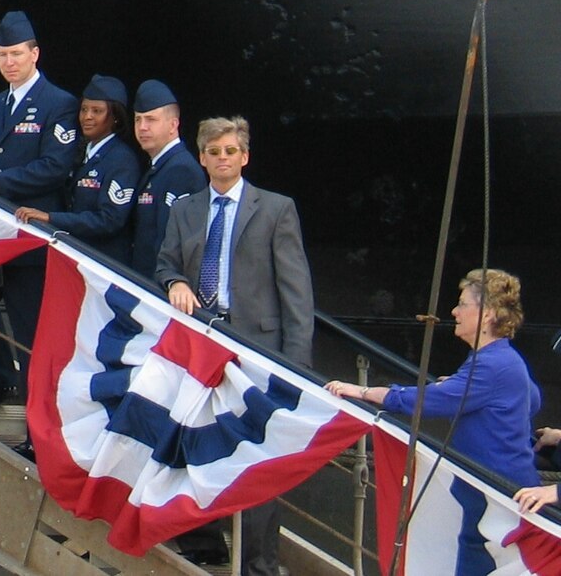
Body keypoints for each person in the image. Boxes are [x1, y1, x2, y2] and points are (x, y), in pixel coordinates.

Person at [158, 117, 313, 576]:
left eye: (230, 151)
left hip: (257, 352)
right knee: (194, 441)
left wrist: (296, 367)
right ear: (201, 157)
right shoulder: (184, 209)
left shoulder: (276, 209)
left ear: (244, 156)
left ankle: (258, 565)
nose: (222, 158)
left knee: (256, 458)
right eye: (214, 151)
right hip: (200, 345)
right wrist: (176, 281)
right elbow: (164, 262)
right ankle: (204, 543)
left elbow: (296, 292)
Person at [0, 11, 81, 427]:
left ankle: (38, 431)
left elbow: (54, 166)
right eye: (1, 55)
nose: (9, 62)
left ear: (35, 54)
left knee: (34, 341)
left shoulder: (58, 104)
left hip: (33, 244)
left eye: (16, 54)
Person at [327, 269, 540, 488]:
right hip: (496, 486)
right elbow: (532, 399)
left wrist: (365, 392)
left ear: (487, 314)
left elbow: (428, 401)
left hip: (499, 492)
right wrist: (466, 387)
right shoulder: (504, 359)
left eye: (463, 304)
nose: (455, 311)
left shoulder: (492, 364)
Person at [13, 74, 139, 267]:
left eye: (97, 111)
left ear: (115, 117)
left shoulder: (122, 159)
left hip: (104, 265)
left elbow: (109, 220)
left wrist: (51, 218)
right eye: (84, 109)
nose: (87, 117)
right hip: (75, 259)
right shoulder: (78, 153)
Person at [129, 79, 207, 281]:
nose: (142, 127)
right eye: (138, 119)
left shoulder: (181, 169)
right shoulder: (160, 166)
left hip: (162, 290)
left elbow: (174, 243)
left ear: (173, 125)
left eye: (150, 119)